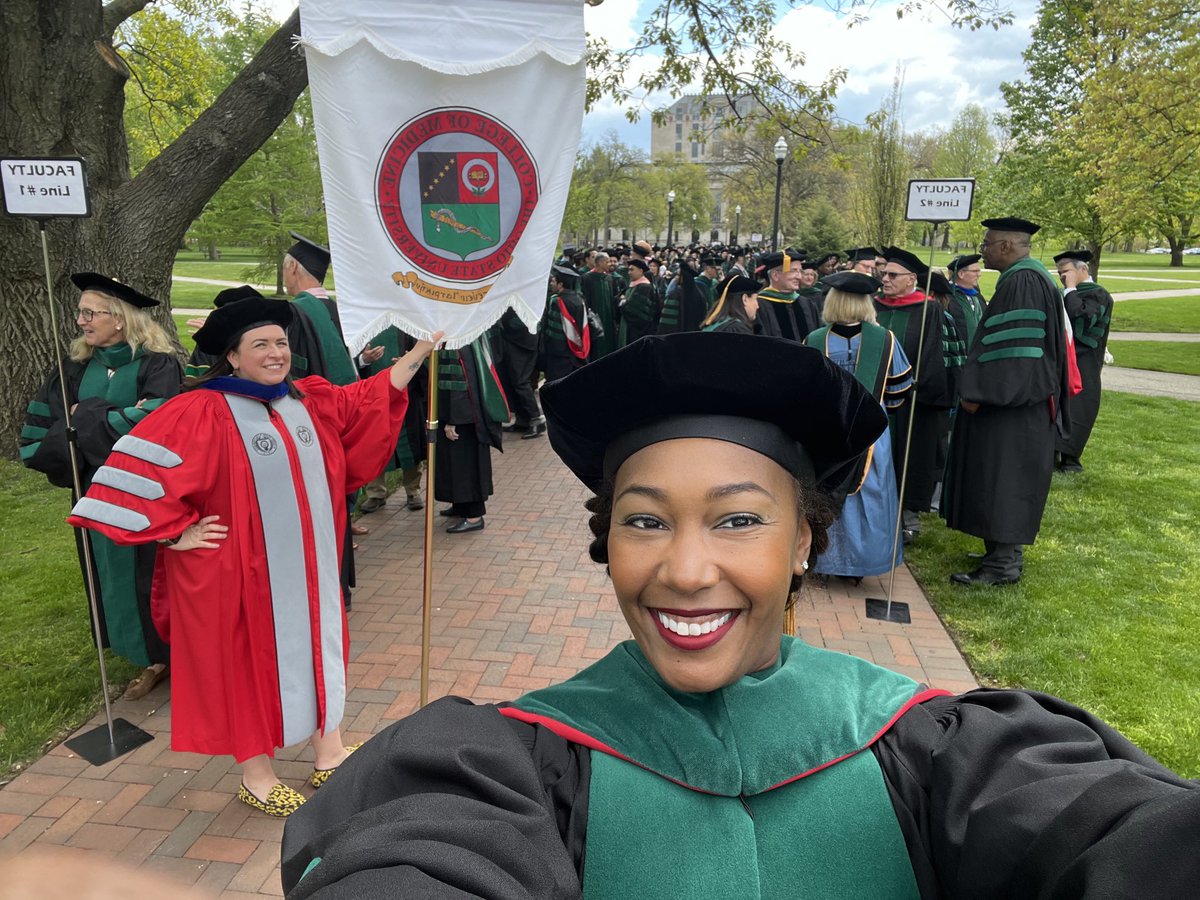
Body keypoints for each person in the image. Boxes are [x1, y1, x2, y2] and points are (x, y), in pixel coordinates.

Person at [280, 330, 1200, 899]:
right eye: (644, 520)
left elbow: (1116, 837)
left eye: (738, 520)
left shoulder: (939, 751)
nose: (685, 569)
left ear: (805, 538)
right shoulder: (509, 767)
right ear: (607, 539)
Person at [67, 296, 438, 817]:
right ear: (233, 358)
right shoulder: (201, 409)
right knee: (246, 665)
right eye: (260, 345)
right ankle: (257, 777)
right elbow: (133, 478)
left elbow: (368, 400)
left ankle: (329, 752)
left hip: (310, 571)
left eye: (281, 343)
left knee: (319, 648)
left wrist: (421, 347)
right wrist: (175, 536)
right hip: (240, 574)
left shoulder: (305, 400)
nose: (275, 353)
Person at [21, 272, 181, 699]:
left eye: (90, 312)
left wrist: (87, 414)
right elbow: (38, 438)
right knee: (106, 572)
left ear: (122, 319)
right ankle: (143, 656)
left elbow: (159, 427)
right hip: (94, 493)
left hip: (147, 492)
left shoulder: (157, 364)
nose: (81, 321)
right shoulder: (71, 370)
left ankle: (172, 651)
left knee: (157, 575)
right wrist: (114, 416)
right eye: (79, 312)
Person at [942, 218, 1073, 585]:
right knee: (1005, 476)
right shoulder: (1026, 278)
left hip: (1010, 405)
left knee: (1004, 478)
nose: (981, 251)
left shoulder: (1023, 281)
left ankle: (1002, 566)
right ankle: (1002, 552)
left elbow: (1015, 352)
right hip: (1022, 404)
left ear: (1005, 246)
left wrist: (980, 394)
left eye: (986, 244)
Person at [806, 272, 912, 579]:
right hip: (872, 435)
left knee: (828, 488)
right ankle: (862, 565)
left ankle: (825, 562)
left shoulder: (815, 340)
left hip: (828, 432)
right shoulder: (885, 340)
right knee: (871, 495)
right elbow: (898, 392)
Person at [875, 248, 959, 543]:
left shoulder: (928, 309)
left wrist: (914, 386)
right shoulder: (874, 305)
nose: (885, 279)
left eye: (892, 275)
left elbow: (931, 353)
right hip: (874, 399)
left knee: (908, 456)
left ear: (912, 279)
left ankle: (906, 515)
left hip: (911, 401)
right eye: (883, 273)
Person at [436, 335, 508, 534]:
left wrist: (453, 420)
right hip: (460, 412)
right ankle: (461, 505)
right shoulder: (463, 332)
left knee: (466, 464)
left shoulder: (458, 337)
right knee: (455, 463)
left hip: (463, 416)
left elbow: (459, 380)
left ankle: (474, 515)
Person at [1053, 250, 1113, 472]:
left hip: (1084, 361)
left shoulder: (1099, 295)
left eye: (1066, 272)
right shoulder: (1069, 293)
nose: (1062, 277)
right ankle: (1051, 451)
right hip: (1062, 358)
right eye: (1059, 273)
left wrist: (1069, 290)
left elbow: (1083, 322)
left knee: (1079, 405)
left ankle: (1070, 457)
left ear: (1082, 269)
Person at [495, 309, 545, 440]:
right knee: (510, 380)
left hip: (523, 341)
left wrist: (506, 322)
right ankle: (522, 420)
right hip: (512, 339)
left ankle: (537, 419)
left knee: (520, 381)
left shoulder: (528, 292)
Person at [754, 250, 819, 341]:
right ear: (775, 275)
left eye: (800, 271)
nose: (799, 277)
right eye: (793, 271)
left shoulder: (807, 304)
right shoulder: (758, 306)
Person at [540, 265, 590, 381]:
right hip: (575, 350)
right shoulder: (579, 299)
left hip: (558, 352)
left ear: (560, 284)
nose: (551, 284)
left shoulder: (556, 301)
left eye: (553, 281)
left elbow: (552, 331)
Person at [581, 252, 618, 361]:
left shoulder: (609, 279)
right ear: (600, 262)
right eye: (607, 262)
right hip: (594, 319)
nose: (609, 264)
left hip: (608, 318)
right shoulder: (587, 278)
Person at [947, 253, 987, 352]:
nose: (979, 274)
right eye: (975, 271)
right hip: (957, 356)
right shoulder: (947, 298)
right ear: (961, 274)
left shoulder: (977, 297)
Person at [617, 257, 659, 347]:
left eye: (632, 270)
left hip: (636, 329)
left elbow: (635, 310)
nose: (629, 273)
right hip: (627, 324)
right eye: (628, 270)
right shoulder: (633, 285)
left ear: (640, 271)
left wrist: (622, 302)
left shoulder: (644, 287)